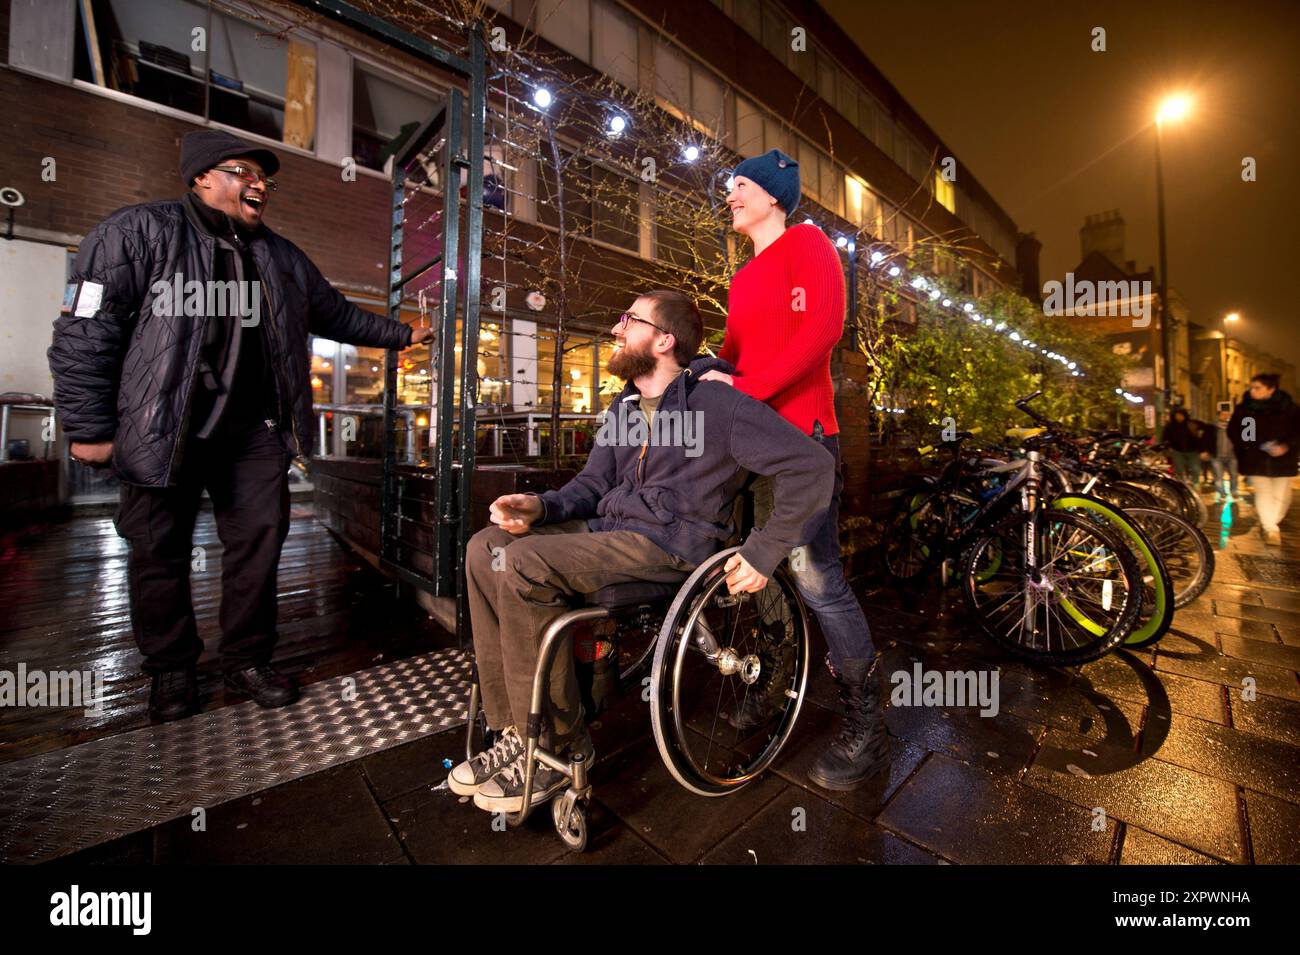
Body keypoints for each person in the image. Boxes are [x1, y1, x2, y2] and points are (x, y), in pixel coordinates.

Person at [48, 129, 433, 721]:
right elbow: (85, 331)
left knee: (258, 547)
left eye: (265, 180)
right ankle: (171, 671)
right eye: (244, 173)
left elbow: (336, 314)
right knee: (159, 553)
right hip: (164, 428)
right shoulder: (134, 233)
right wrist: (87, 424)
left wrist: (403, 333)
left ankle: (247, 660)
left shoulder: (281, 257)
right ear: (202, 177)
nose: (260, 186)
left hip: (255, 433)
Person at [451, 290, 835, 814]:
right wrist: (538, 508)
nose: (616, 328)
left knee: (521, 563)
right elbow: (591, 485)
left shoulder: (718, 404)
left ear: (664, 339)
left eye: (628, 320)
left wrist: (764, 550)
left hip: (673, 544)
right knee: (485, 547)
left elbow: (811, 465)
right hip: (611, 530)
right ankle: (516, 732)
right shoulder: (625, 408)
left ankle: (556, 746)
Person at [699, 148, 889, 792]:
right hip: (753, 445)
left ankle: (867, 722)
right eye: (730, 188)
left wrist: (746, 390)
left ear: (775, 196)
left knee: (815, 574)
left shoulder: (808, 245)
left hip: (804, 438)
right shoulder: (745, 275)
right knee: (759, 565)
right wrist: (690, 372)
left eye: (742, 186)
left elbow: (821, 333)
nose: (731, 196)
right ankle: (777, 680)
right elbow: (732, 356)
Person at [1229, 373, 1300, 545]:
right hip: (1256, 460)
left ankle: (1271, 522)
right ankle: (1271, 528)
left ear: (1271, 389)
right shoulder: (1247, 409)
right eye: (1251, 387)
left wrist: (1285, 445)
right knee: (1264, 493)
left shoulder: (1290, 408)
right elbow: (1243, 435)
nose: (1252, 391)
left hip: (1284, 460)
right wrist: (1257, 446)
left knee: (1281, 497)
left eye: (1257, 388)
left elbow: (1297, 432)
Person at [1162, 408, 1205, 486]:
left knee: (1195, 469)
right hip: (1177, 450)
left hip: (1193, 450)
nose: (1179, 417)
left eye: (1181, 415)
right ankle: (1181, 485)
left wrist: (1201, 449)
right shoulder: (1170, 426)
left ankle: (1195, 484)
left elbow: (1200, 435)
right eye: (1177, 415)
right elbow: (1165, 437)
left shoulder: (1192, 424)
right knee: (1179, 470)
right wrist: (1169, 447)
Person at [1208, 405, 1240, 502]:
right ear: (1219, 416)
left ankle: (1234, 492)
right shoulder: (1212, 427)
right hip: (1217, 456)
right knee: (1218, 476)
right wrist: (1206, 451)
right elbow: (1206, 439)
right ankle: (1222, 493)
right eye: (1223, 415)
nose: (1225, 417)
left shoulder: (1235, 427)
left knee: (1234, 475)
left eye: (1227, 415)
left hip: (1232, 456)